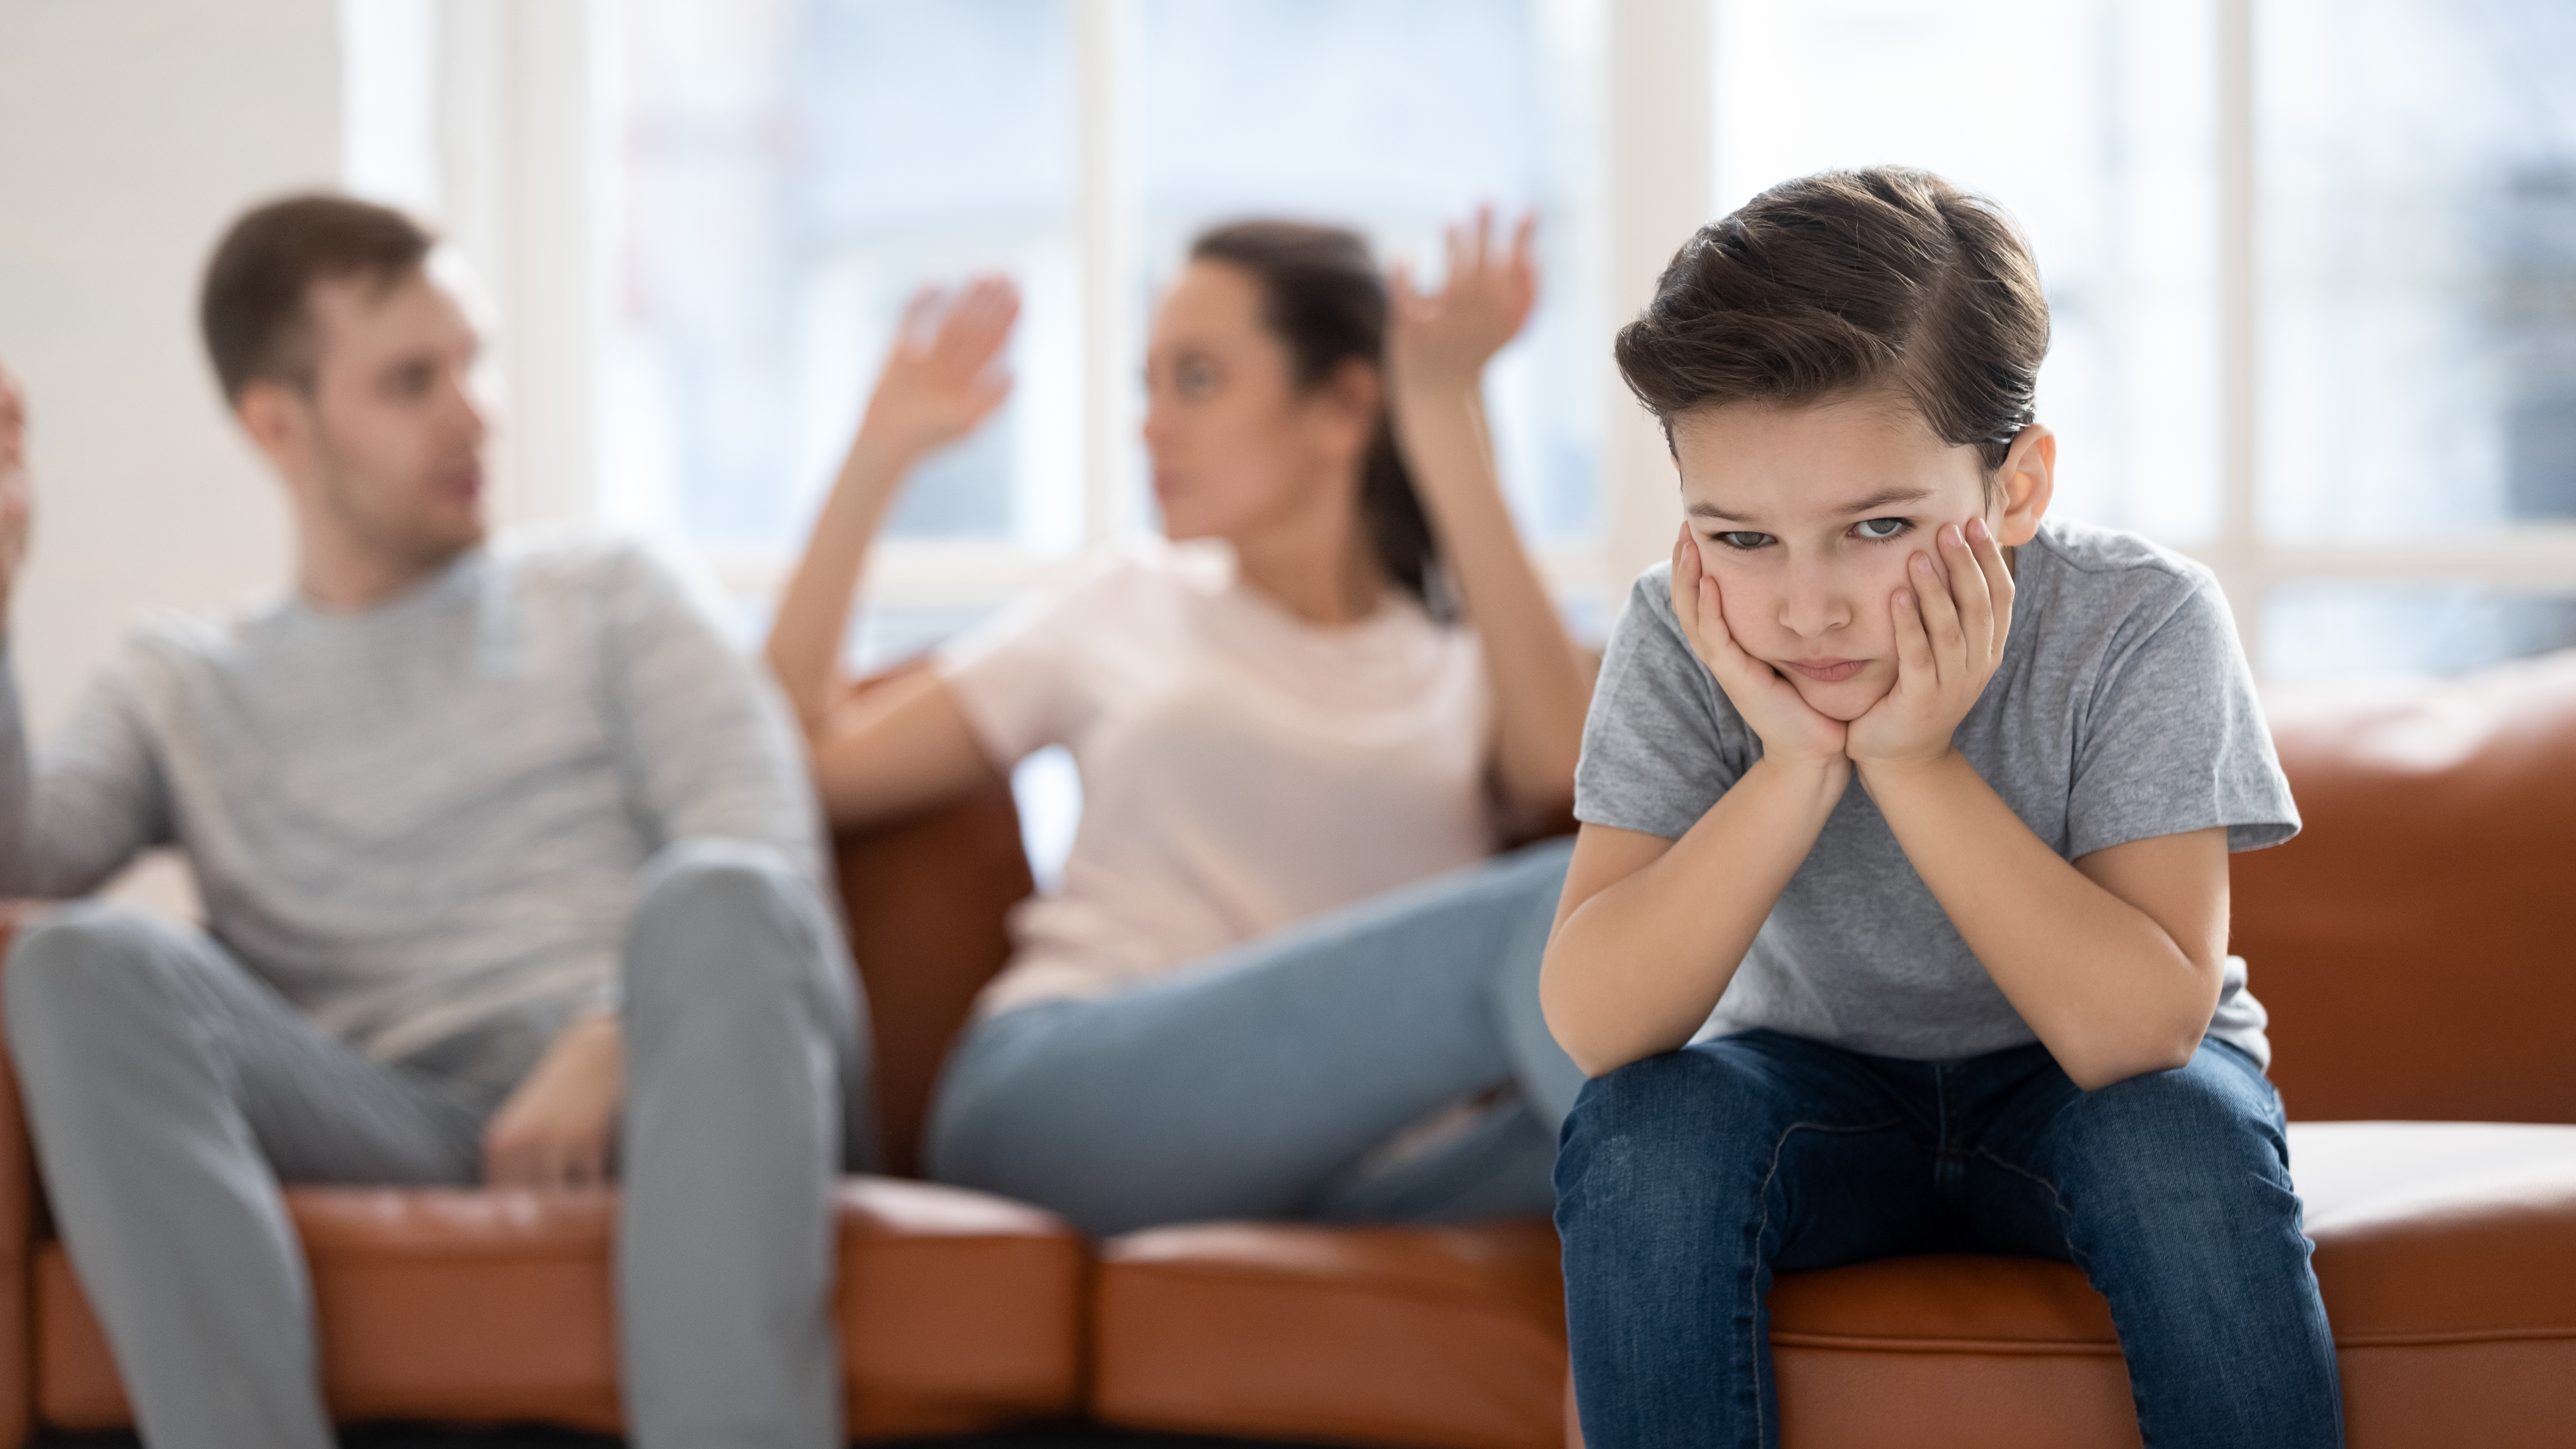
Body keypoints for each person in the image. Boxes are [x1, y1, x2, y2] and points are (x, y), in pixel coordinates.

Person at [0, 195, 869, 1449]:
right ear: (277, 426)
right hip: (398, 1116)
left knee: (722, 888)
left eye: (477, 362)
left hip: (686, 1085)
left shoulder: (613, 591)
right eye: (414, 381)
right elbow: (20, 873)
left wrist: (614, 1031)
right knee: (74, 959)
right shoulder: (179, 682)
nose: (476, 412)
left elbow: (768, 859)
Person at [1540, 167, 2342, 1449]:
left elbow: (2137, 1031)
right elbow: (1597, 1019)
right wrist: (1795, 763)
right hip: (1813, 1087)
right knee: (1645, 1132)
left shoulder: (2142, 623)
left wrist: (1913, 764)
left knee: (2178, 1136)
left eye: (1874, 526)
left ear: (2012, 489)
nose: (1807, 608)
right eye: (1741, 537)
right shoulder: (1681, 633)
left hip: (2079, 1085)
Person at [765, 213, 1596, 1236]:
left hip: (1355, 1174)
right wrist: (879, 455)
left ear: (1342, 409)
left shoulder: (1462, 669)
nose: (1150, 425)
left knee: (1628, 1145)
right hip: (1071, 1095)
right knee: (1564, 912)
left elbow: (1564, 764)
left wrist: (1441, 404)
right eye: (1145, 385)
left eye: (1196, 379)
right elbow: (797, 761)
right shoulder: (1124, 599)